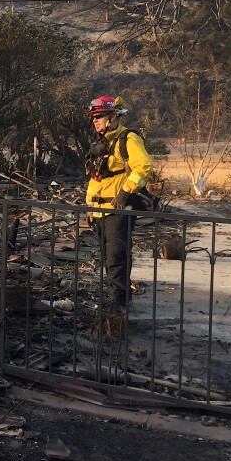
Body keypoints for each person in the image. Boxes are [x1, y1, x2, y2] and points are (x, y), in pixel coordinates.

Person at [84, 95, 153, 333]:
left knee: (117, 254)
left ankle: (119, 303)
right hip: (102, 209)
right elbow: (96, 178)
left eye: (99, 117)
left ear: (113, 117)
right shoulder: (101, 143)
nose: (96, 122)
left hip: (120, 208)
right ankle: (117, 296)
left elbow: (144, 167)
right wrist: (90, 206)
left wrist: (124, 193)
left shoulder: (128, 138)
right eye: (94, 118)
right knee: (107, 255)